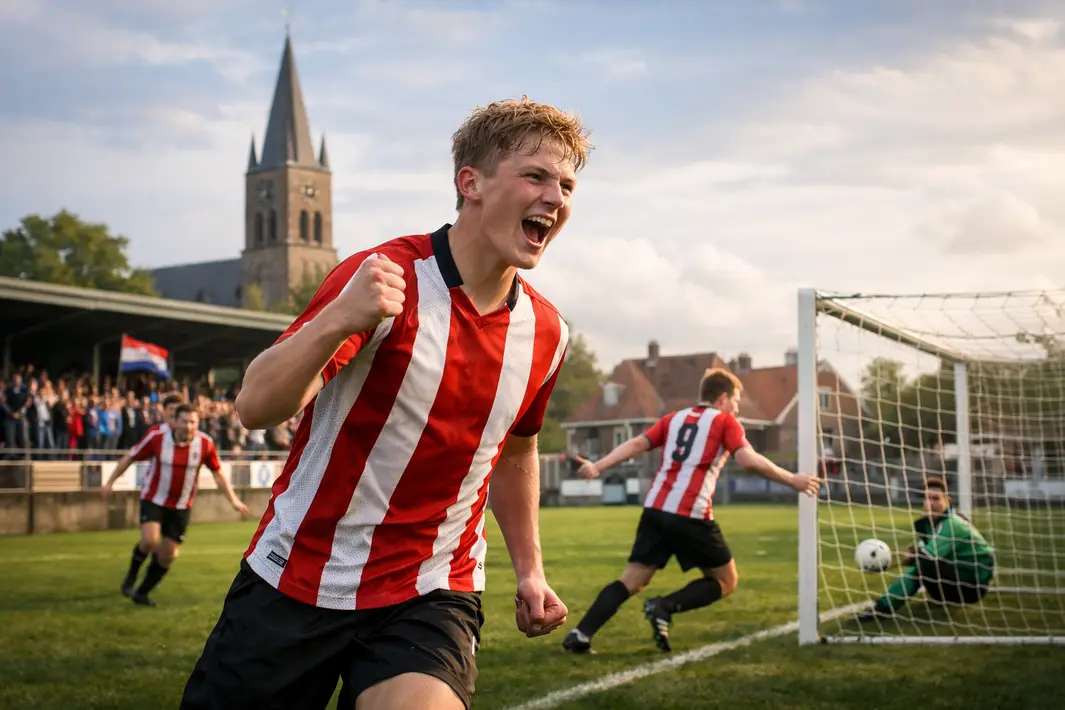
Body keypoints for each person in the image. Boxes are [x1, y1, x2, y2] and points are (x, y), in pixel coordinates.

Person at [180, 96, 592, 710]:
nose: (555, 198)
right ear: (470, 183)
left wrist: (529, 569)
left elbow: (515, 453)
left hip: (430, 588)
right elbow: (257, 406)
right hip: (297, 577)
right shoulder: (384, 279)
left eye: (566, 184)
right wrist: (340, 318)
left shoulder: (548, 333)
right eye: (535, 176)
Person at [562, 368, 822, 654]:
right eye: (735, 401)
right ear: (723, 398)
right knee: (726, 580)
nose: (736, 407)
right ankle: (663, 606)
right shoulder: (725, 422)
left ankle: (580, 634)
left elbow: (638, 443)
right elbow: (747, 460)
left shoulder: (673, 419)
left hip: (655, 511)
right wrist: (792, 480)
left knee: (632, 580)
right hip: (690, 514)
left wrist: (598, 466)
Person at [102, 403, 250, 606]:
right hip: (154, 498)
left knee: (169, 555)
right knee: (150, 540)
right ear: (174, 421)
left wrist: (233, 500)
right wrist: (110, 482)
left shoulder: (205, 444)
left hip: (181, 506)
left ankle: (142, 592)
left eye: (193, 422)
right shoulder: (157, 438)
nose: (189, 426)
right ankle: (131, 576)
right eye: (185, 421)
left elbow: (218, 474)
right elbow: (130, 457)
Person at [857, 477, 995, 622]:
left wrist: (884, 562)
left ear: (947, 501)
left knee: (923, 563)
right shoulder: (932, 525)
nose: (931, 503)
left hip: (972, 586)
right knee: (923, 561)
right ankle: (884, 605)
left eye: (936, 499)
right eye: (927, 498)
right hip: (953, 582)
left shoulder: (952, 524)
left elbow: (923, 558)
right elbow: (915, 554)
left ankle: (883, 608)